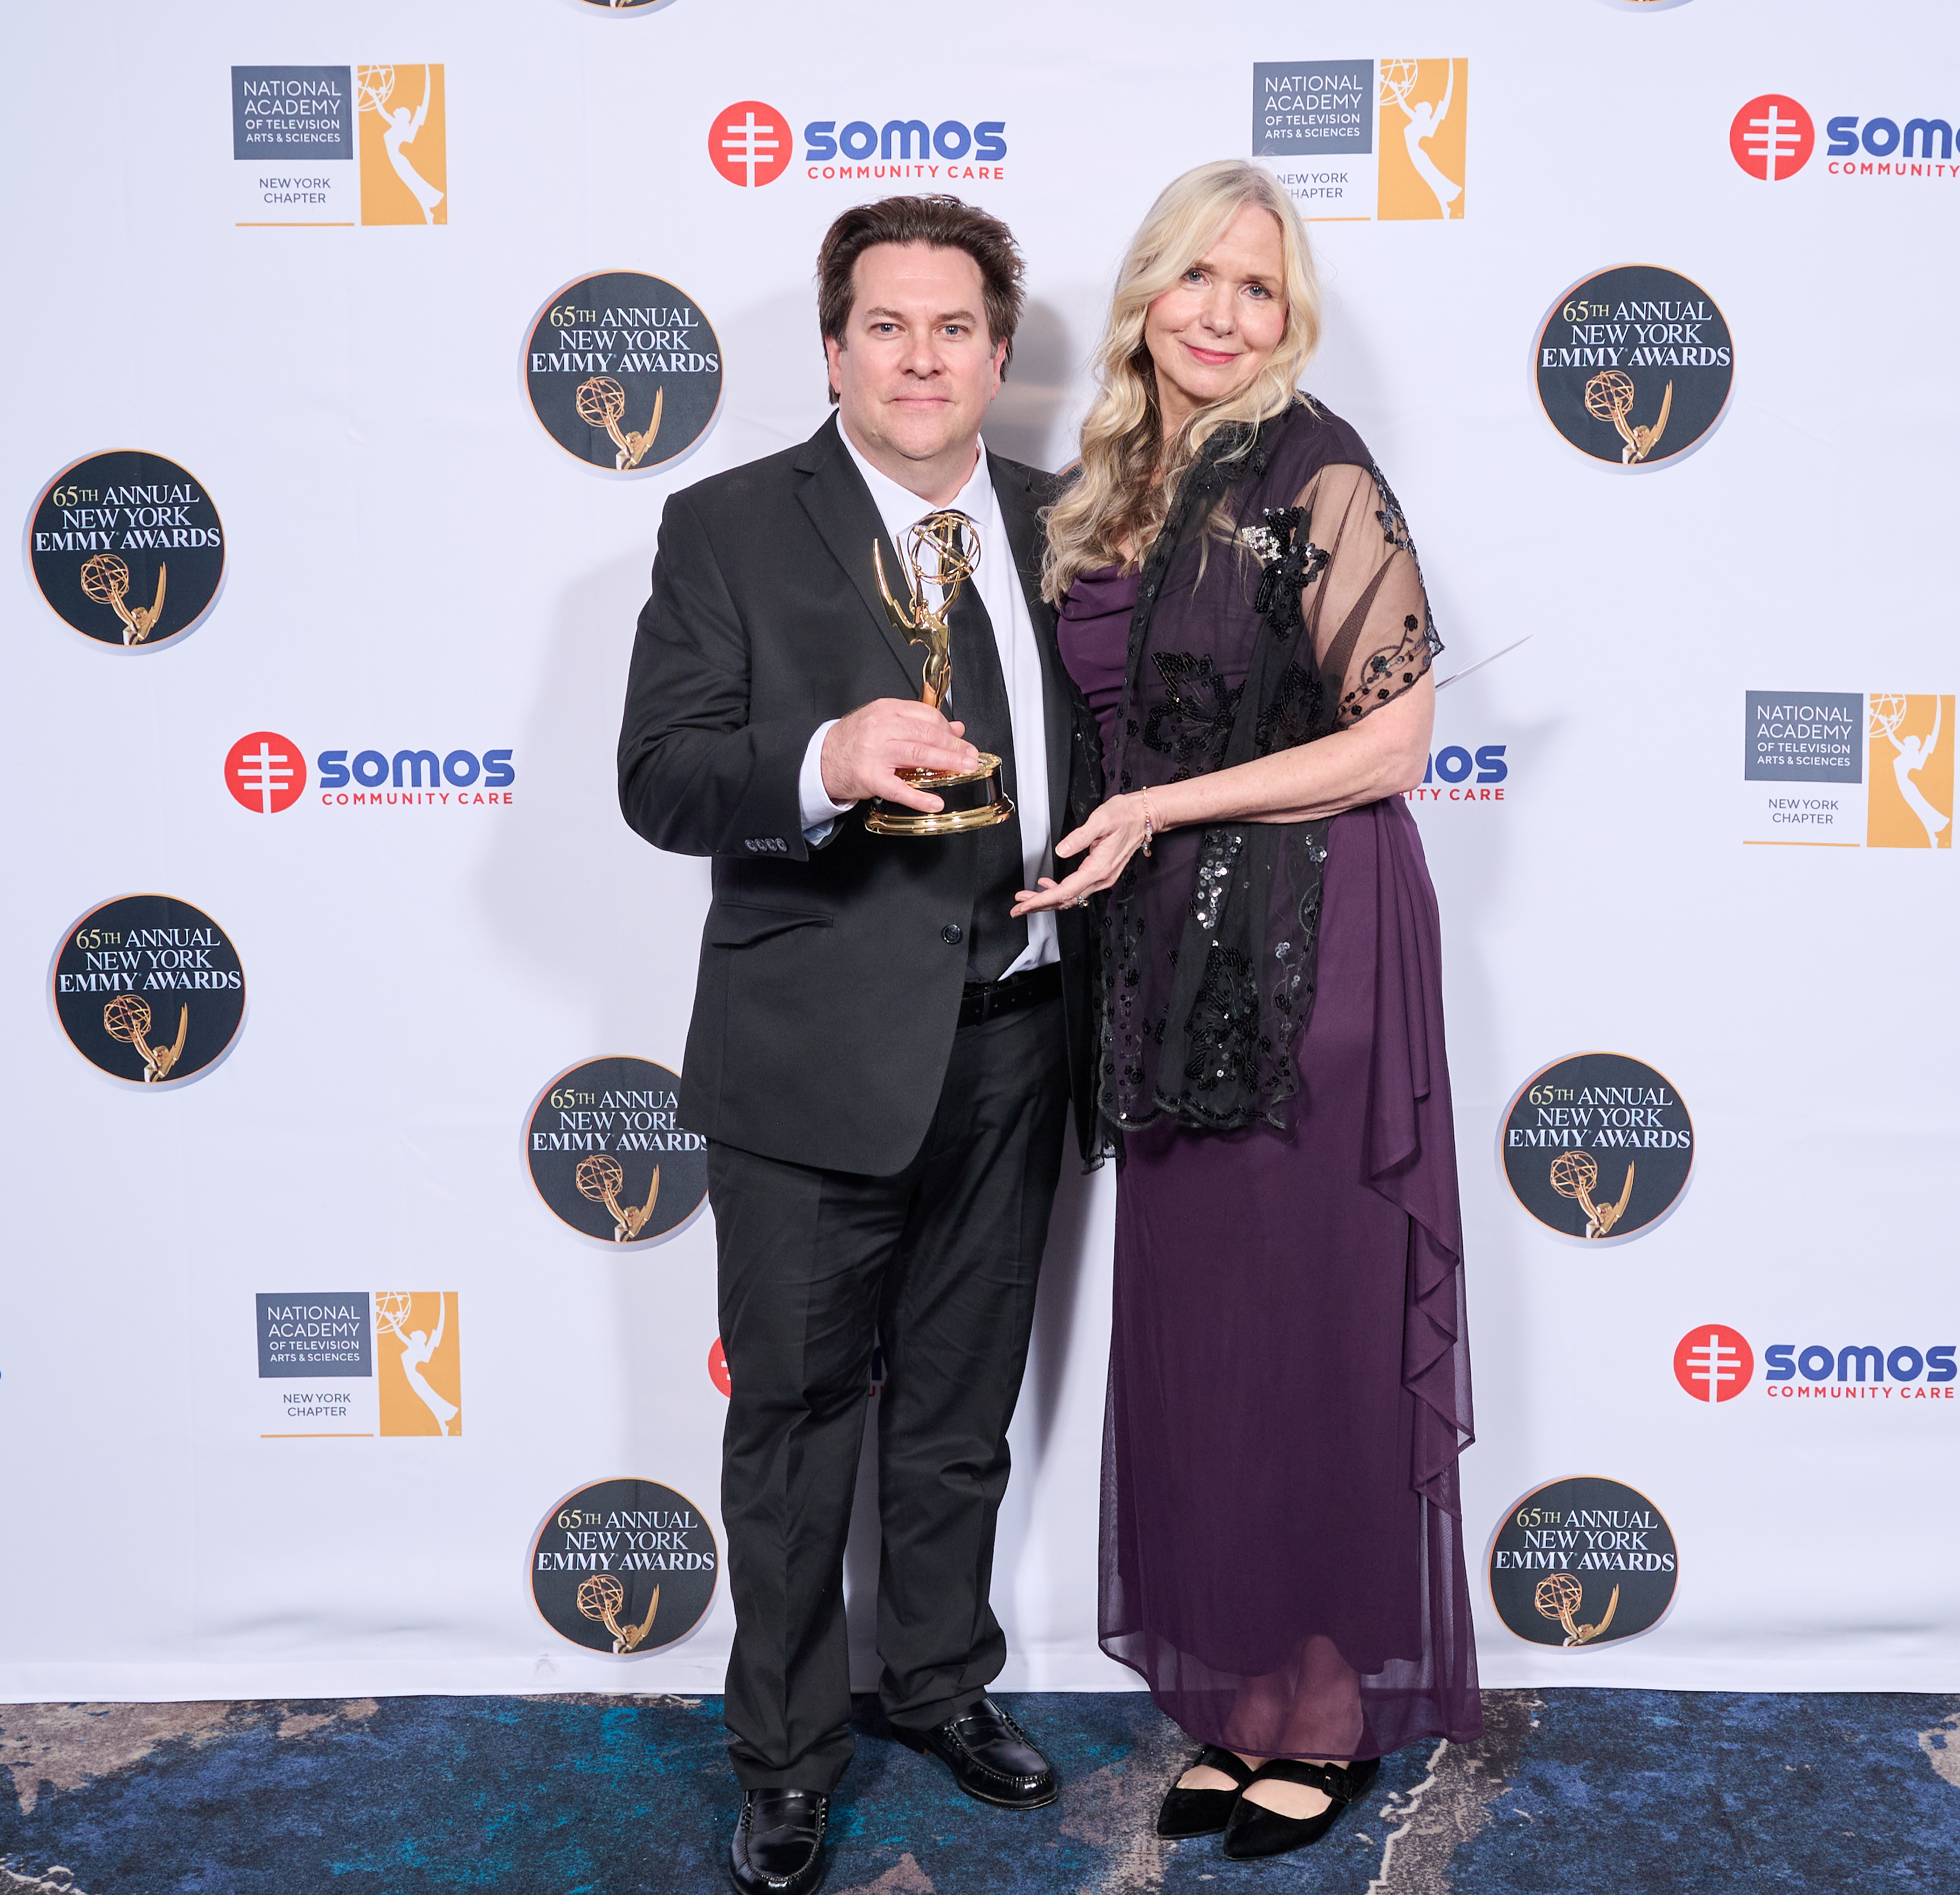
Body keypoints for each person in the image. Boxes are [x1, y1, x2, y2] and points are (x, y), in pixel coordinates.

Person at [616, 196, 1090, 1895]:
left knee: (962, 1409)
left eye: (954, 327)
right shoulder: (728, 526)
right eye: (886, 325)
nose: (920, 358)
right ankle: (788, 1756)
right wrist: (823, 759)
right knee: (799, 1424)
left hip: (1021, 1036)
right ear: (833, 349)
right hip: (813, 1060)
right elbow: (661, 777)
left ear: (999, 353)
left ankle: (943, 1682)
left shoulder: (1066, 525)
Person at [1013, 158, 1479, 1861]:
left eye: (1258, 287)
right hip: (1165, 970)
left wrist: (1160, 811)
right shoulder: (1109, 487)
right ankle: (1252, 1697)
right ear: (1146, 292)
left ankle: (1332, 1706)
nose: (1220, 312)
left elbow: (1395, 741)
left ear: (1292, 320)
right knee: (1217, 1338)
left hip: (1315, 944)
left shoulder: (1315, 469)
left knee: (1316, 1331)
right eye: (1196, 277)